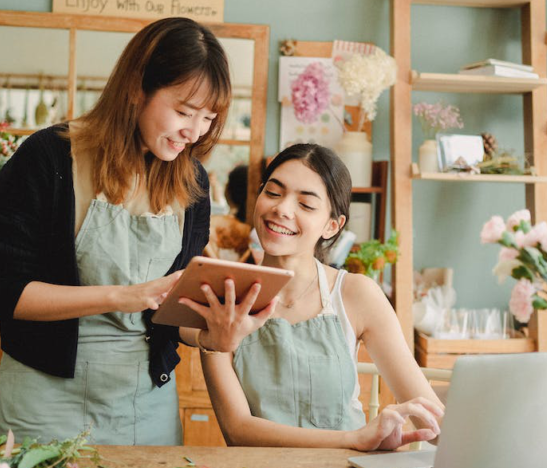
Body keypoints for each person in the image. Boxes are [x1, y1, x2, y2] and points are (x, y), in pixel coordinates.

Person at [0, 17, 277, 446]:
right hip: (41, 403)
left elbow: (174, 316)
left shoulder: (192, 182)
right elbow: (0, 292)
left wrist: (215, 332)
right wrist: (124, 296)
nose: (195, 132)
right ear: (137, 89)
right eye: (184, 111)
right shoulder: (49, 158)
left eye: (208, 117)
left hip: (144, 405)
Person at [180, 144, 445, 451]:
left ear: (332, 225)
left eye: (306, 205)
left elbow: (432, 419)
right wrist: (355, 438)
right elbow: (237, 429)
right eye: (274, 192)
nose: (282, 209)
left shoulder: (355, 294)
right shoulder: (222, 296)